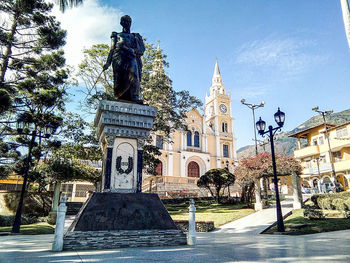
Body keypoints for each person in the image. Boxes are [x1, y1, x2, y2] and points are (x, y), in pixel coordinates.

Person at [103, 15, 145, 102]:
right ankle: (119, 96)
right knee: (119, 78)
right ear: (121, 23)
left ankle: (135, 96)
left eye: (129, 22)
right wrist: (108, 62)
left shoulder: (135, 36)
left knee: (134, 75)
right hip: (119, 58)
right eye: (125, 21)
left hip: (131, 57)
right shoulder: (116, 35)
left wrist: (131, 50)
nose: (127, 23)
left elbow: (141, 50)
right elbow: (112, 49)